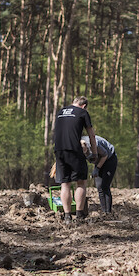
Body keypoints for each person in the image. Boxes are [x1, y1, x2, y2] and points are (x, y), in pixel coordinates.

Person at [54, 96, 97, 224]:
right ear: (84, 106)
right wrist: (94, 153)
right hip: (74, 149)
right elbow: (91, 134)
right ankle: (79, 216)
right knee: (81, 182)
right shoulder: (83, 112)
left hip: (59, 149)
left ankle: (67, 216)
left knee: (65, 184)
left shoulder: (61, 111)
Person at [81, 135, 117, 214]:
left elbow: (105, 155)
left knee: (105, 186)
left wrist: (97, 168)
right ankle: (104, 212)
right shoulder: (77, 146)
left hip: (109, 159)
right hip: (98, 162)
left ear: (86, 146)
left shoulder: (94, 144)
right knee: (99, 187)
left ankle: (108, 212)